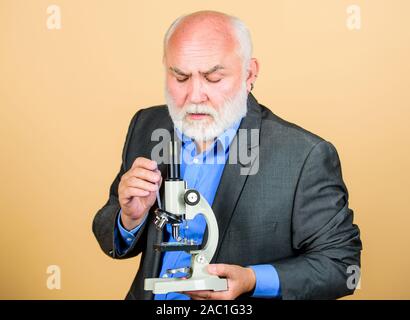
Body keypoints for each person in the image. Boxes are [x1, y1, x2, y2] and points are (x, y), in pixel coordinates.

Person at [92, 10, 362, 300]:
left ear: (249, 74)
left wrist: (253, 279)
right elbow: (110, 232)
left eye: (213, 77)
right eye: (180, 76)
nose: (195, 96)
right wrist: (129, 219)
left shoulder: (303, 156)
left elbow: (341, 266)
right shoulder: (147, 125)